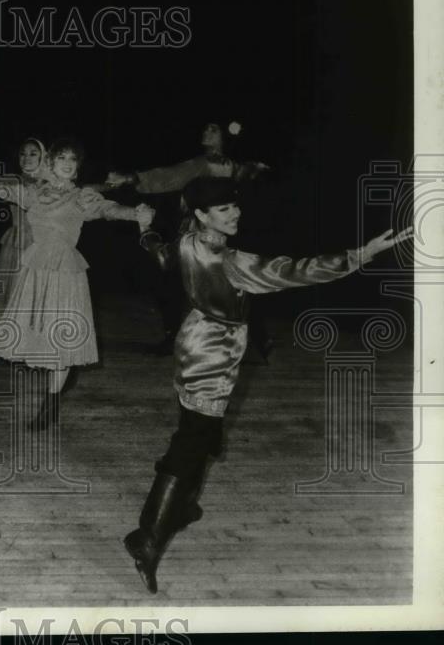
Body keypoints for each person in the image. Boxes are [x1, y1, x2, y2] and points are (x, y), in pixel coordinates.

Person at [124, 176, 412, 594]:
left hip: (194, 339)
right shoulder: (233, 261)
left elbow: (164, 256)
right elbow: (296, 271)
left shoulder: (188, 239)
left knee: (203, 432)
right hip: (216, 352)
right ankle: (147, 539)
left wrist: (145, 231)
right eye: (224, 209)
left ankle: (183, 506)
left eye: (235, 205)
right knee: (192, 439)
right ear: (203, 214)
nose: (235, 213)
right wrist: (360, 254)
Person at [0, 138, 152, 431]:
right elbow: (1, 188)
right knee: (30, 332)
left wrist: (136, 214)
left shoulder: (81, 197)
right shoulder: (34, 192)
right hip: (35, 268)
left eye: (73, 161)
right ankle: (51, 393)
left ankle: (51, 402)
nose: (68, 165)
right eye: (62, 159)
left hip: (66, 272)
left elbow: (109, 208)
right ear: (51, 163)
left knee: (61, 340)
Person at [105, 121, 272, 357]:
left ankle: (175, 337)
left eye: (213, 130)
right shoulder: (233, 167)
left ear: (223, 137)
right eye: (205, 128)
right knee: (230, 285)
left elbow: (167, 177)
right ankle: (259, 340)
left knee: (172, 282)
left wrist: (131, 178)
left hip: (198, 233)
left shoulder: (203, 164)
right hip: (221, 235)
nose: (205, 131)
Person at [0, 137, 48, 319]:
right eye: (23, 154)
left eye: (33, 154)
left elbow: (81, 190)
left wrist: (114, 184)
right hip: (16, 241)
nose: (27, 158)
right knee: (13, 287)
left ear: (43, 156)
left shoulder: (51, 184)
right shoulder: (12, 180)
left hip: (40, 242)